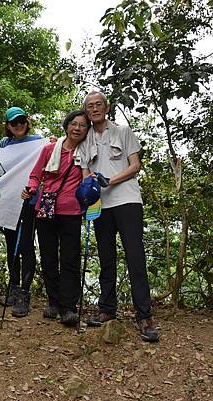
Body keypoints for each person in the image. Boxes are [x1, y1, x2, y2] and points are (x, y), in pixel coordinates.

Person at [78, 90, 159, 342]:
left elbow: (135, 165)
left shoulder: (123, 131)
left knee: (135, 256)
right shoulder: (84, 140)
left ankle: (144, 316)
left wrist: (109, 180)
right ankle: (106, 310)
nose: (94, 109)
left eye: (98, 104)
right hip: (100, 205)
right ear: (86, 111)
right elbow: (84, 173)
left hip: (127, 200)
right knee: (106, 257)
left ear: (107, 106)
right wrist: (88, 191)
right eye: (90, 106)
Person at [25, 110, 89, 326]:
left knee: (70, 259)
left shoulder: (87, 153)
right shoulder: (50, 150)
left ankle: (69, 307)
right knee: (48, 255)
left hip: (72, 212)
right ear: (67, 125)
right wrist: (31, 189)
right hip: (46, 208)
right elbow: (35, 175)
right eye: (74, 123)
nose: (77, 128)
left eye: (82, 125)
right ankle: (54, 302)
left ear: (87, 130)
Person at [0, 107, 43, 317]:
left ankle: (25, 293)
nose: (19, 125)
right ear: (7, 125)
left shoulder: (37, 141)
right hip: (8, 201)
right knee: (11, 245)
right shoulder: (4, 144)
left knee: (26, 245)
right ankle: (13, 288)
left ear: (27, 122)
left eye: (22, 121)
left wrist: (53, 142)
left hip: (30, 201)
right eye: (14, 122)